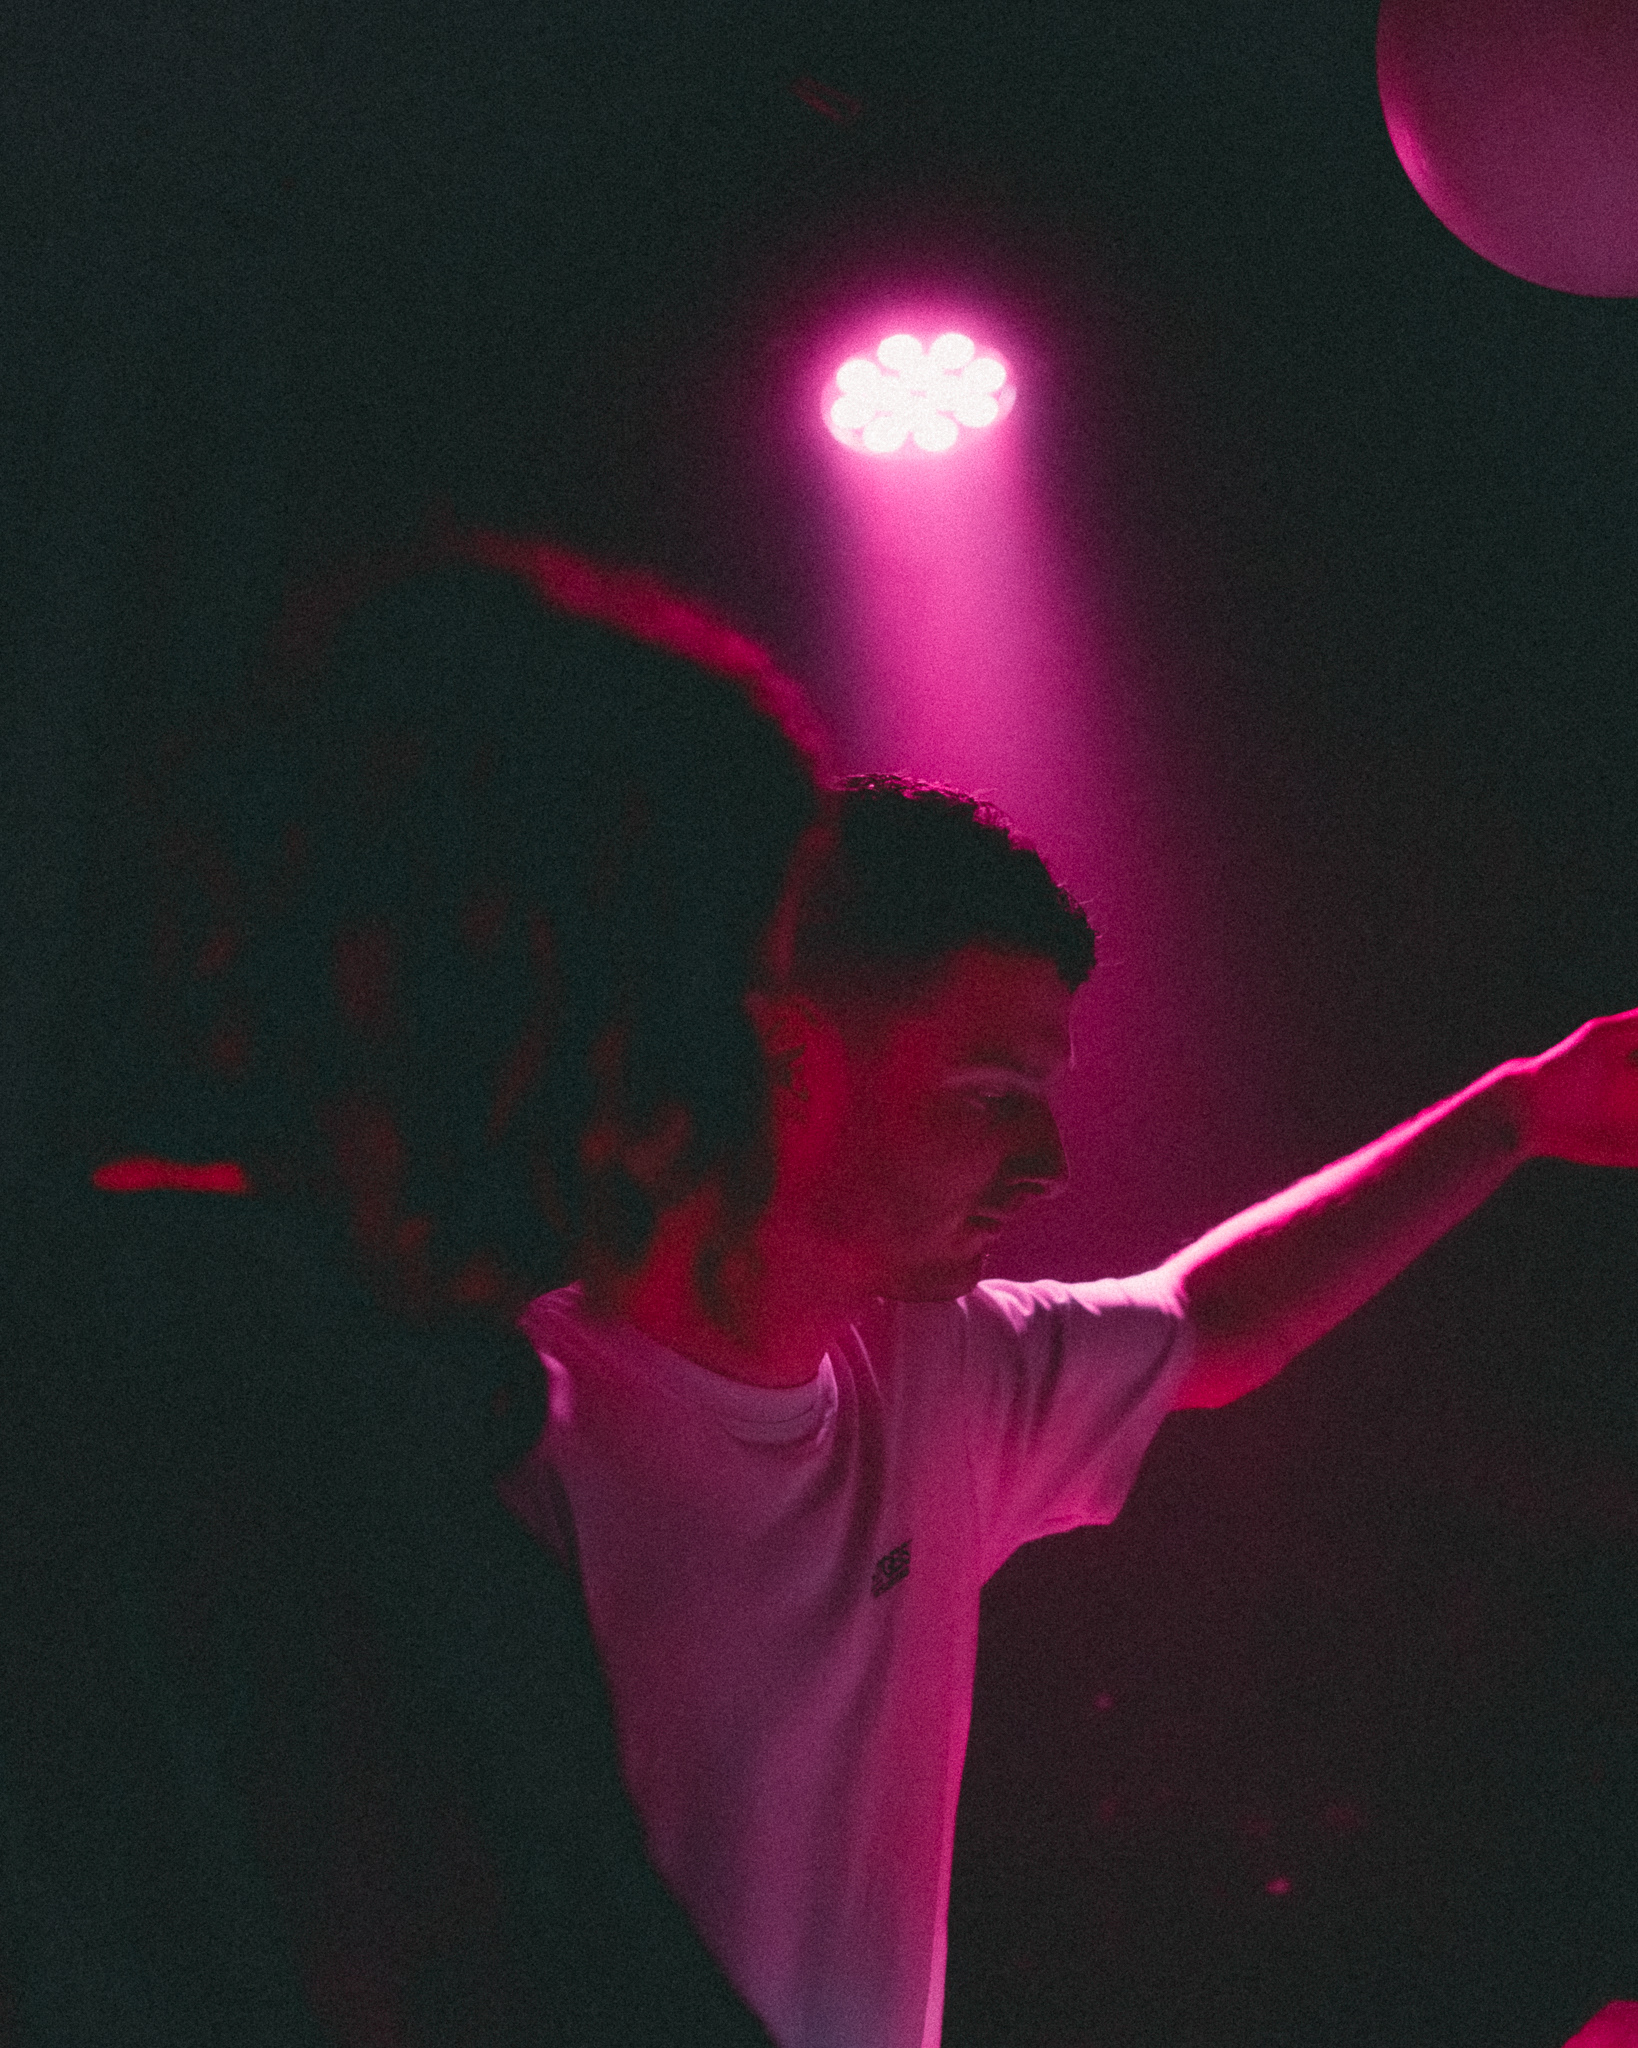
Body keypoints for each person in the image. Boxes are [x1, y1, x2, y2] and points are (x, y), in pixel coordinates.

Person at [497, 775, 1638, 2048]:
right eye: (991, 1095)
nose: (1047, 1164)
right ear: (789, 1061)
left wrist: (1522, 1112)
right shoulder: (515, 1443)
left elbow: (1213, 1319)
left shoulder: (939, 1369)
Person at [5, 533, 828, 2045]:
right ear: (526, 970)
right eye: (729, 982)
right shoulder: (208, 1438)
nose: (754, 1082)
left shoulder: (313, 1412)